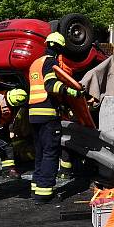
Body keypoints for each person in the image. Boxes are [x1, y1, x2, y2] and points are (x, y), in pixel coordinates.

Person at [28, 32, 82, 204]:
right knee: (51, 153)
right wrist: (72, 91)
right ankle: (44, 192)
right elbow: (50, 85)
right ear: (58, 48)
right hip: (47, 114)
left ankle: (37, 187)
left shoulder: (35, 63)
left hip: (34, 114)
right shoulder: (50, 62)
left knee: (40, 153)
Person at [0, 88, 28, 179]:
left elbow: (13, 116)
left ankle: (8, 169)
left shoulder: (14, 99)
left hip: (3, 123)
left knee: (7, 144)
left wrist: (12, 129)